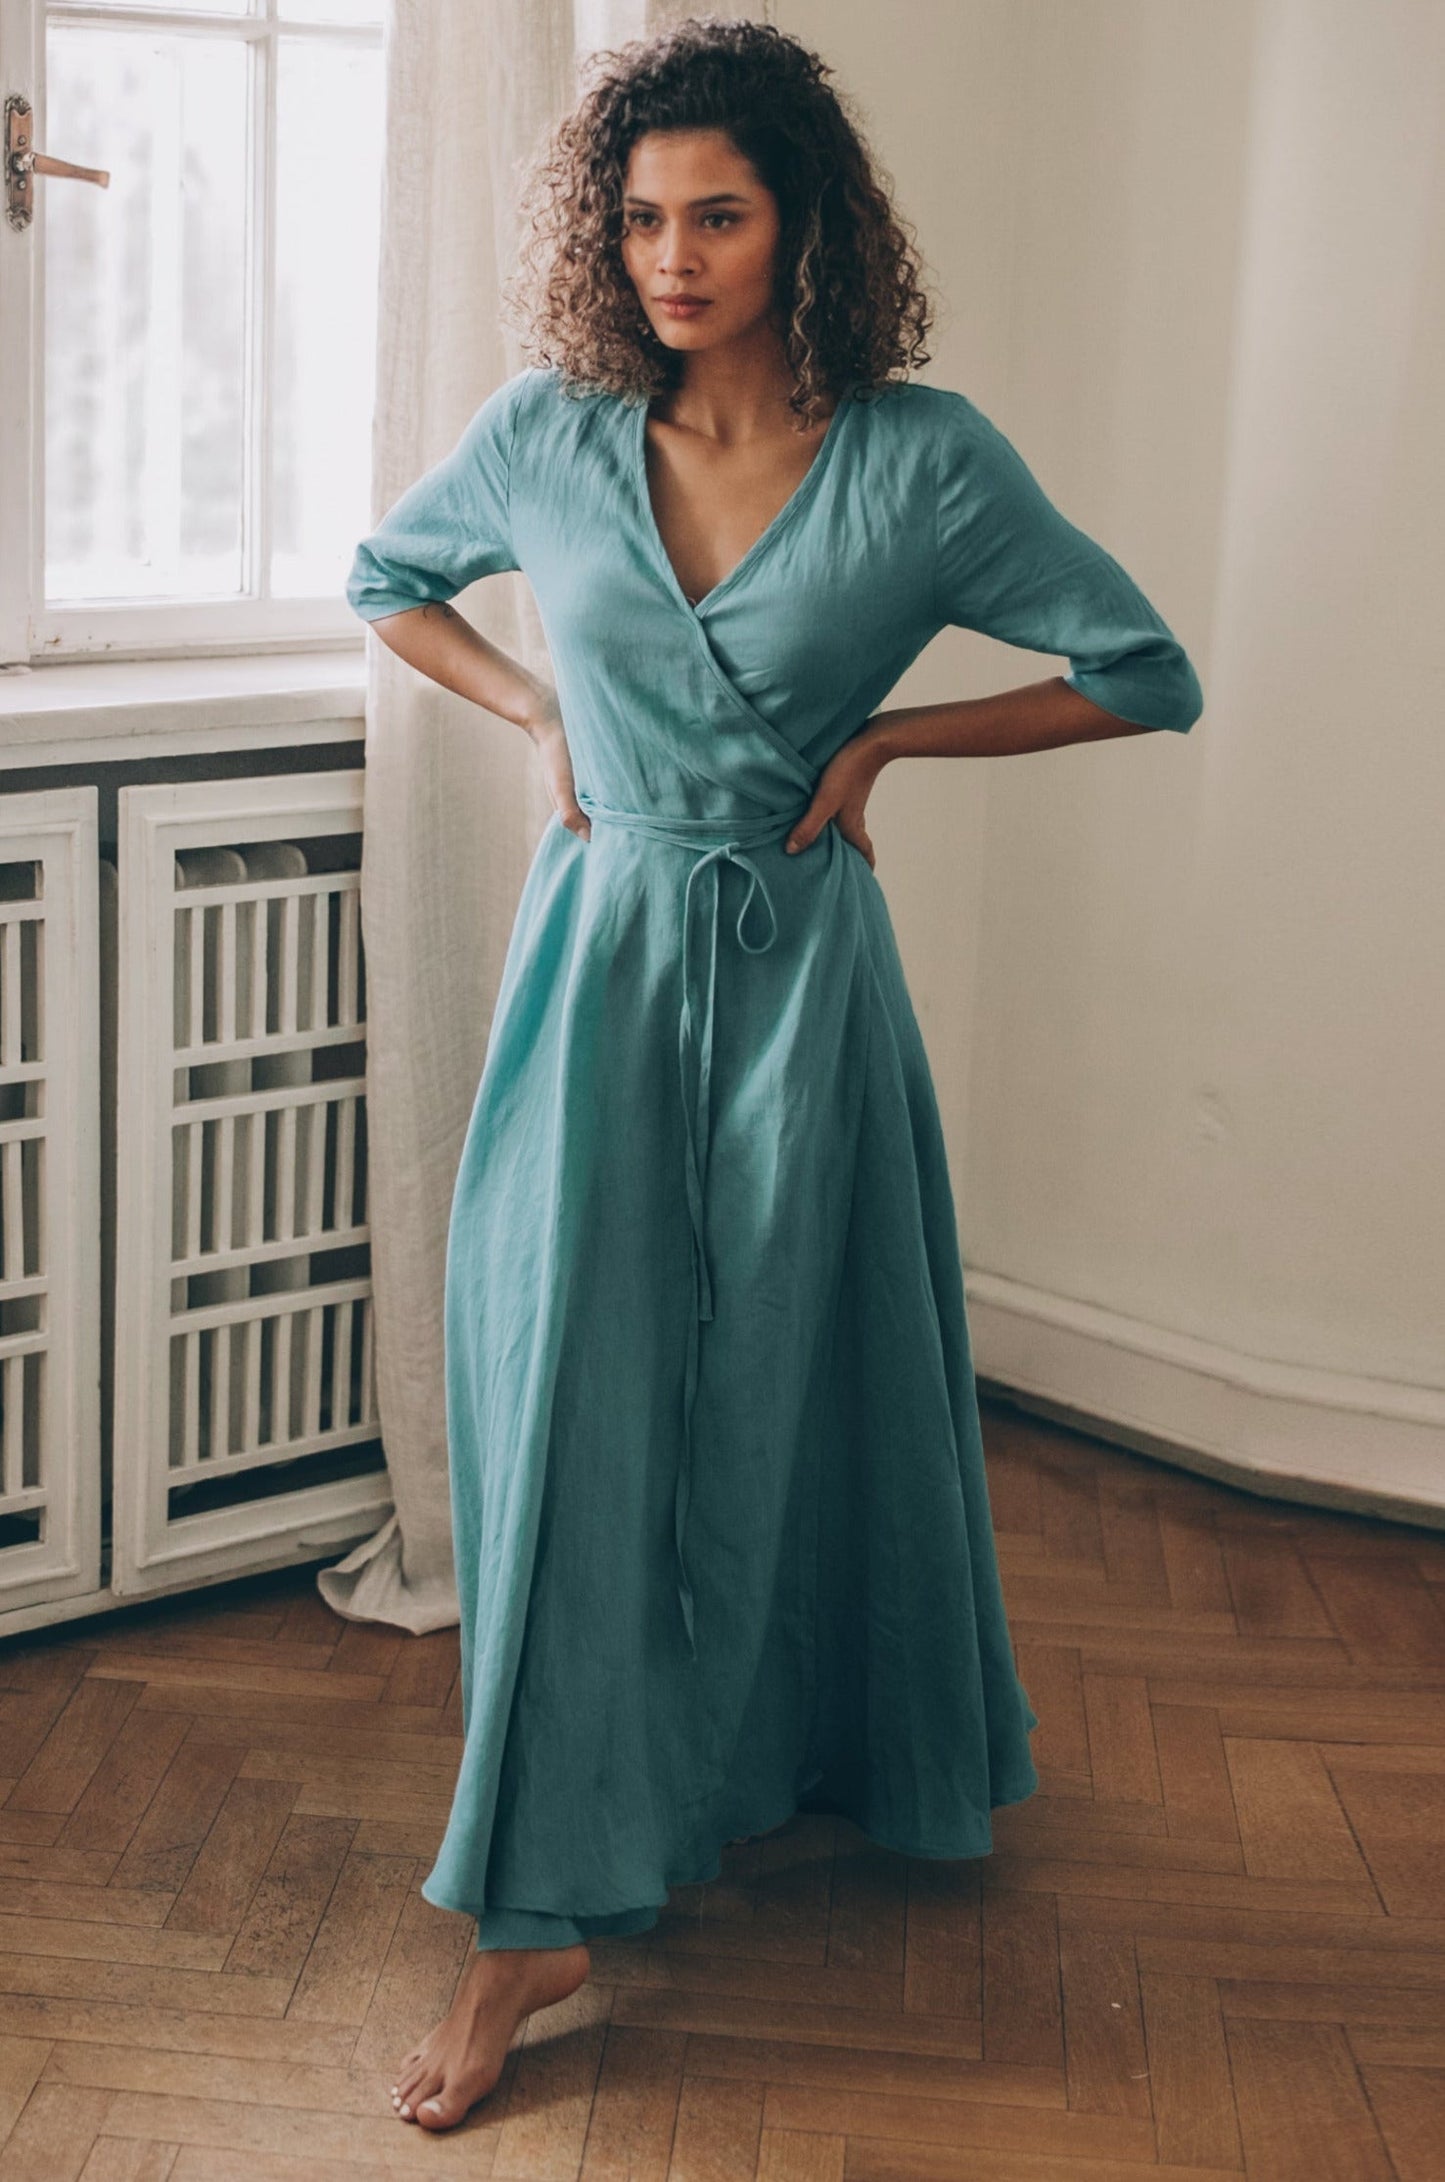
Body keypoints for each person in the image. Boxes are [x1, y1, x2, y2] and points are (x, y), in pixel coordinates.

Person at [346, 15, 1203, 2134]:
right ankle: (529, 1919)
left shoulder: (923, 460)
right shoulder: (548, 434)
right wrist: (537, 710)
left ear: (805, 224)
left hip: (805, 984)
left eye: (716, 215)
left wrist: (894, 736)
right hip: (598, 976)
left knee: (803, 1388)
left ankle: (788, 1749)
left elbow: (1143, 671)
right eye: (641, 217)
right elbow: (389, 582)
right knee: (565, 1409)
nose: (671, 256)